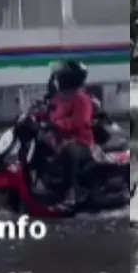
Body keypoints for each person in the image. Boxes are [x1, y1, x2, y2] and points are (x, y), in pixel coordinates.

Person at [47, 60, 96, 208]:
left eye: (61, 76)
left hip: (81, 141)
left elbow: (79, 121)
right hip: (59, 138)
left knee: (70, 151)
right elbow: (49, 111)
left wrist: (57, 124)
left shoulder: (82, 99)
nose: (58, 79)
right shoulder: (59, 97)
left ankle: (71, 195)